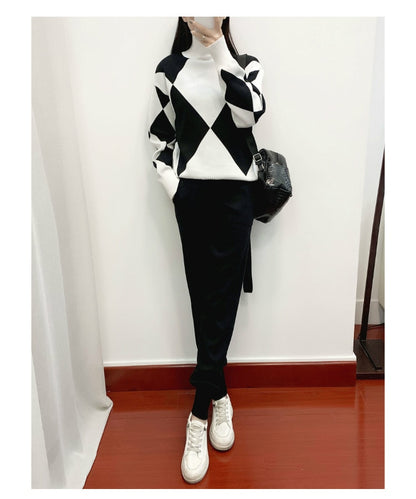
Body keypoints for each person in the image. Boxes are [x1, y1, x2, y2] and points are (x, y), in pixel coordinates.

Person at [147, 16, 266, 484]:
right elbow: (160, 136)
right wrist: (173, 187)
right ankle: (220, 395)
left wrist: (219, 48)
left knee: (224, 299)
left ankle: (200, 411)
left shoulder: (246, 65)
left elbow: (248, 114)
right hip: (192, 197)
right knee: (202, 299)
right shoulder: (168, 69)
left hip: (236, 196)